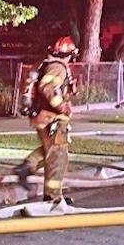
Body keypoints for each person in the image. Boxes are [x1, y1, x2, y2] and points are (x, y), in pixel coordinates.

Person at [16, 35, 78, 212]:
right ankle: (52, 198)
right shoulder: (58, 68)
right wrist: (62, 106)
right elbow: (47, 87)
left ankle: (26, 167)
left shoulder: (47, 64)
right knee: (58, 157)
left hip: (44, 118)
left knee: (50, 151)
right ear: (69, 55)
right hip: (53, 119)